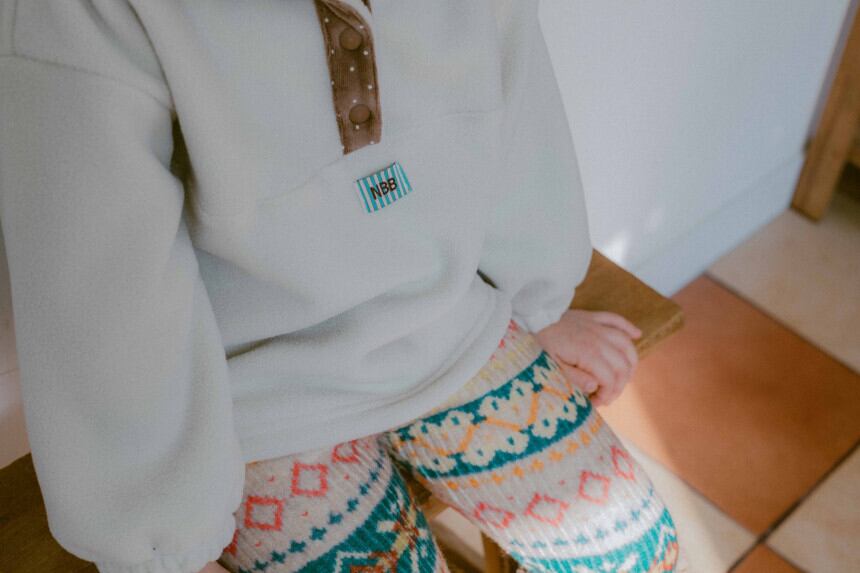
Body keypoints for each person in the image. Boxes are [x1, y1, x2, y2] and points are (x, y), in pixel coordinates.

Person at [0, 0, 685, 571]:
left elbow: (514, 96)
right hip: (247, 403)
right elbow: (103, 282)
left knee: (638, 555)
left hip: (445, 321)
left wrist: (537, 300)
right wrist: (163, 539)